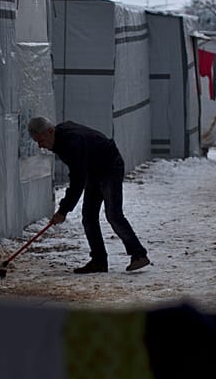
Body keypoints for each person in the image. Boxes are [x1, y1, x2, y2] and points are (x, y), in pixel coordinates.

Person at [27, 116, 151, 274]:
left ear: (51, 131)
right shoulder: (61, 137)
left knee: (114, 214)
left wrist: (63, 210)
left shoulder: (72, 143)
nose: (40, 146)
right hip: (94, 169)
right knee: (89, 216)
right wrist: (64, 209)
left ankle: (139, 254)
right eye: (37, 142)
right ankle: (99, 261)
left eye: (41, 140)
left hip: (110, 166)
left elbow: (77, 181)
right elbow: (79, 175)